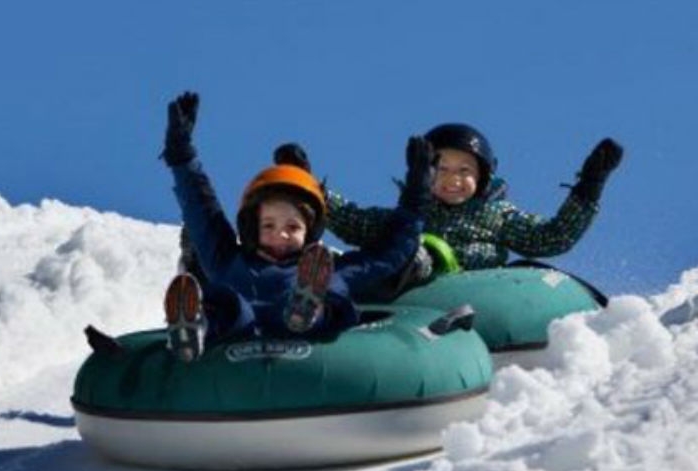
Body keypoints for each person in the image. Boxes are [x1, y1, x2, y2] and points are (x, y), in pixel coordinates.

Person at [159, 91, 431, 362]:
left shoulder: (330, 269)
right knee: (228, 305)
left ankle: (308, 308)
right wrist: (182, 155)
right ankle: (194, 328)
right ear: (252, 228)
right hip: (237, 332)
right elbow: (202, 210)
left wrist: (416, 196)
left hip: (305, 336)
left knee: (325, 300)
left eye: (293, 227)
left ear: (309, 232)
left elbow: (386, 256)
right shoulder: (228, 260)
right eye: (268, 225)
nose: (281, 234)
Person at [325, 123, 624, 295]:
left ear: (483, 176)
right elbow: (353, 220)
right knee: (396, 243)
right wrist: (310, 189)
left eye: (464, 170)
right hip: (408, 301)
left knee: (419, 249)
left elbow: (552, 238)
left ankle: (406, 266)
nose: (452, 180)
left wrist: (589, 186)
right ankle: (325, 280)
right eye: (440, 169)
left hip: (473, 294)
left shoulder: (497, 216)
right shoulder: (410, 214)